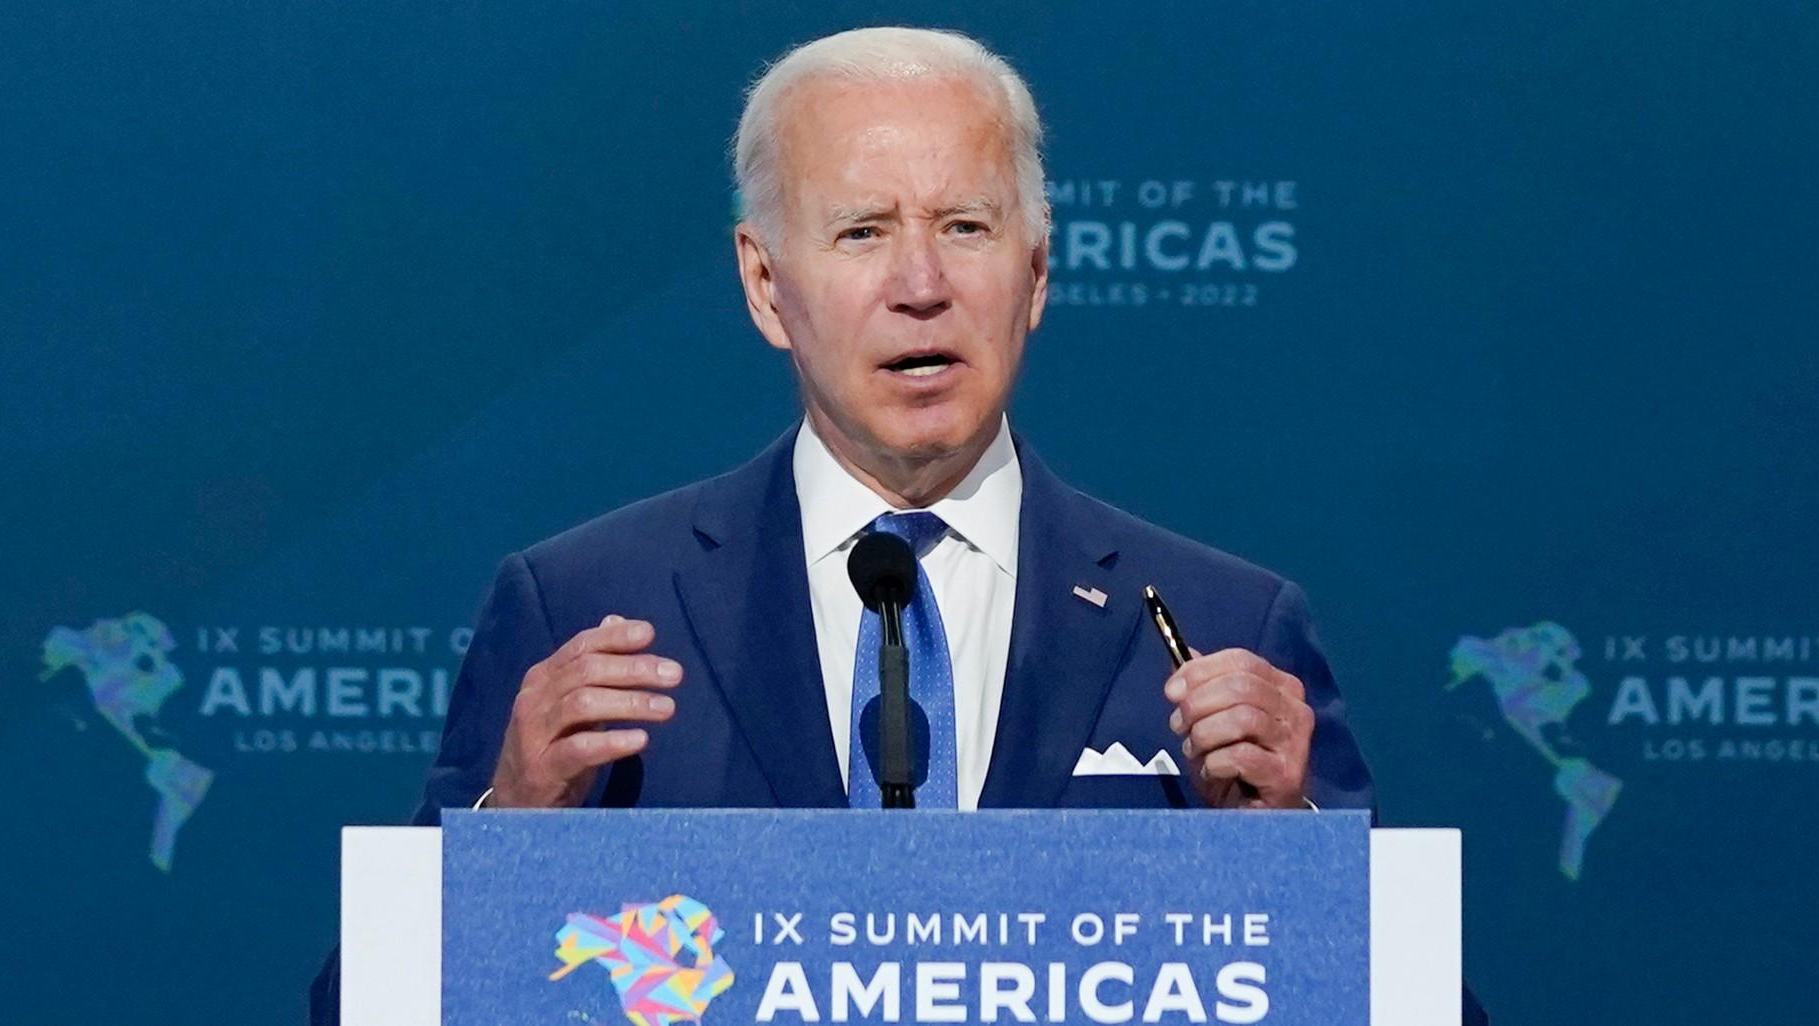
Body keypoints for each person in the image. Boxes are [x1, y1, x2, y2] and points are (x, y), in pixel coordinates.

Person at [311, 26, 1486, 1024]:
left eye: (966, 228)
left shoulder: (1227, 621)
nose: (920, 283)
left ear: (1036, 272)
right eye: (863, 231)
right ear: (768, 286)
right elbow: (359, 1008)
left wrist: (1291, 856)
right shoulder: (586, 604)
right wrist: (505, 834)